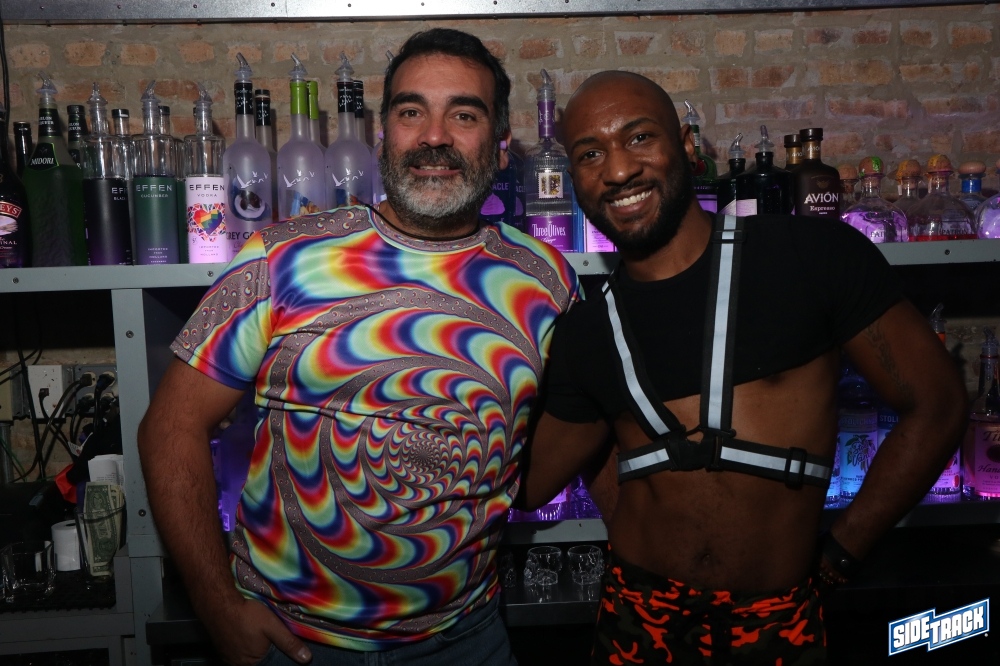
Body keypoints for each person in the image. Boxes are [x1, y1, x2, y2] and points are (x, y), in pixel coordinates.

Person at [138, 28, 579, 666]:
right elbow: (170, 426)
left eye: (463, 115)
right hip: (293, 644)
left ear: (503, 142)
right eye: (410, 112)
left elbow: (577, 435)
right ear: (383, 135)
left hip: (465, 640)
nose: (433, 136)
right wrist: (218, 605)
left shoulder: (547, 281)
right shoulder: (283, 258)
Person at [517, 70, 967, 665]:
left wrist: (842, 554)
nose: (619, 170)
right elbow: (531, 484)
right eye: (590, 154)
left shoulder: (810, 257)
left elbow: (939, 404)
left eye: (640, 138)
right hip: (637, 620)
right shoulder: (586, 328)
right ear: (572, 178)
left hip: (776, 618)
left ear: (686, 146)